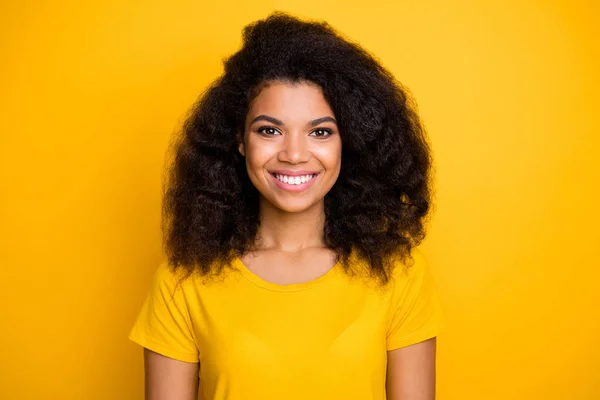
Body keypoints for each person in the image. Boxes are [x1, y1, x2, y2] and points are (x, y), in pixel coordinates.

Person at [129, 11, 443, 400]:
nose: (294, 154)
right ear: (240, 141)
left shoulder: (399, 274)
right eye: (270, 130)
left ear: (350, 141)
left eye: (320, 131)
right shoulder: (182, 280)